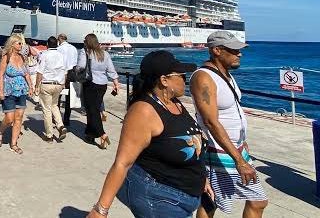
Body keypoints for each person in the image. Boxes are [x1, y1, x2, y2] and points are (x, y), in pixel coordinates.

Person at [86, 51, 212, 218]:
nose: (185, 79)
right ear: (164, 80)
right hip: (159, 198)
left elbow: (191, 143)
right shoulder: (144, 111)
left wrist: (201, 178)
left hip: (183, 196)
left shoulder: (174, 103)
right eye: (181, 75)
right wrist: (101, 210)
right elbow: (122, 163)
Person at [190, 31, 268, 218]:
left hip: (234, 148)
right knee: (254, 200)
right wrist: (239, 161)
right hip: (218, 152)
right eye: (234, 50)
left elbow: (231, 111)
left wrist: (242, 141)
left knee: (213, 201)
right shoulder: (203, 77)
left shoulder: (224, 74)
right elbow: (210, 121)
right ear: (216, 50)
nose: (239, 54)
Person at [76, 34, 120, 149]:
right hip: (102, 85)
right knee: (94, 109)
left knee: (93, 110)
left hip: (90, 84)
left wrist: (76, 70)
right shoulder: (105, 53)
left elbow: (81, 66)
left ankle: (102, 134)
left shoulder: (85, 52)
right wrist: (116, 82)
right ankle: (90, 135)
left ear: (87, 42)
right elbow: (111, 70)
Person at [0, 33, 33, 154]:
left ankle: (14, 144)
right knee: (10, 118)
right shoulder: (6, 57)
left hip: (21, 91)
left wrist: (31, 87)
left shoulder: (22, 57)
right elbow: (1, 75)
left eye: (21, 43)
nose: (21, 45)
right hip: (9, 91)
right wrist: (1, 91)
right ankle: (0, 131)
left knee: (19, 117)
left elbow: (26, 74)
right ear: (12, 44)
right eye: (19, 43)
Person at [34, 36, 69, 142]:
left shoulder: (44, 55)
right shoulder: (62, 55)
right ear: (57, 44)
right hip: (58, 84)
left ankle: (49, 135)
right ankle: (60, 125)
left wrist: (37, 85)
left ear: (47, 45)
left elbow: (40, 72)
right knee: (54, 105)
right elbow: (65, 72)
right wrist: (63, 84)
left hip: (47, 84)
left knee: (47, 109)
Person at [58, 33, 79, 125]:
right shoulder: (74, 48)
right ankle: (67, 119)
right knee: (70, 98)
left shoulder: (59, 49)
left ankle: (57, 118)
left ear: (60, 39)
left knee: (58, 97)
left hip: (62, 73)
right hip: (73, 73)